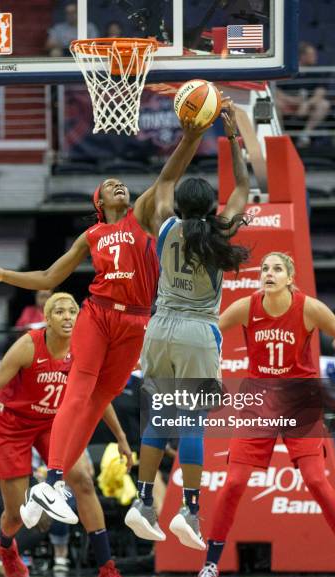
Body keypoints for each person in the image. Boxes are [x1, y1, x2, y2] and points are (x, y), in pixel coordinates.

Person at [0, 117, 208, 527]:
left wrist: (191, 136)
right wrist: (5, 275)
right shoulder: (93, 235)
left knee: (98, 401)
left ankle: (45, 492)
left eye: (122, 182)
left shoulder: (140, 217)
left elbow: (169, 174)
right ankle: (54, 481)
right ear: (98, 202)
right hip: (98, 314)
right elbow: (50, 278)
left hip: (137, 323)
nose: (119, 185)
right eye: (109, 184)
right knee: (79, 392)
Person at [191, 252, 335, 577]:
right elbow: (210, 332)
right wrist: (212, 366)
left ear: (290, 277)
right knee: (233, 483)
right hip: (258, 400)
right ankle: (210, 568)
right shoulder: (248, 306)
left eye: (277, 269)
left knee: (316, 481)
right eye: (264, 268)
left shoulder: (309, 308)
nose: (268, 273)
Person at [124, 102, 250, 551]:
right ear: (211, 206)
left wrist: (188, 136)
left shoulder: (165, 223)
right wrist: (233, 136)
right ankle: (190, 511)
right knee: (191, 421)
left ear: (179, 204)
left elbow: (166, 181)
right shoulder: (220, 233)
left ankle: (142, 503)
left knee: (159, 416)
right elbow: (246, 188)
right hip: (197, 330)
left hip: (158, 327)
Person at [0, 292, 133, 577]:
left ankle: (107, 571)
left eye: (73, 311)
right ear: (46, 319)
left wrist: (122, 438)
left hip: (54, 425)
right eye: (59, 311)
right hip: (14, 426)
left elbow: (99, 398)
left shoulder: (85, 350)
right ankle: (7, 548)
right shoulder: (27, 345)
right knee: (17, 512)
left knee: (83, 482)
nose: (67, 316)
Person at [275, 42, 330, 147]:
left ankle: (305, 134)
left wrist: (306, 104)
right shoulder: (287, 70)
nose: (315, 57)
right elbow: (276, 91)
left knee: (324, 104)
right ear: (302, 56)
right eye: (312, 55)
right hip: (288, 104)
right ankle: (280, 135)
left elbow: (320, 94)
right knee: (276, 103)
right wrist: (292, 101)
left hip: (307, 107)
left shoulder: (318, 71)